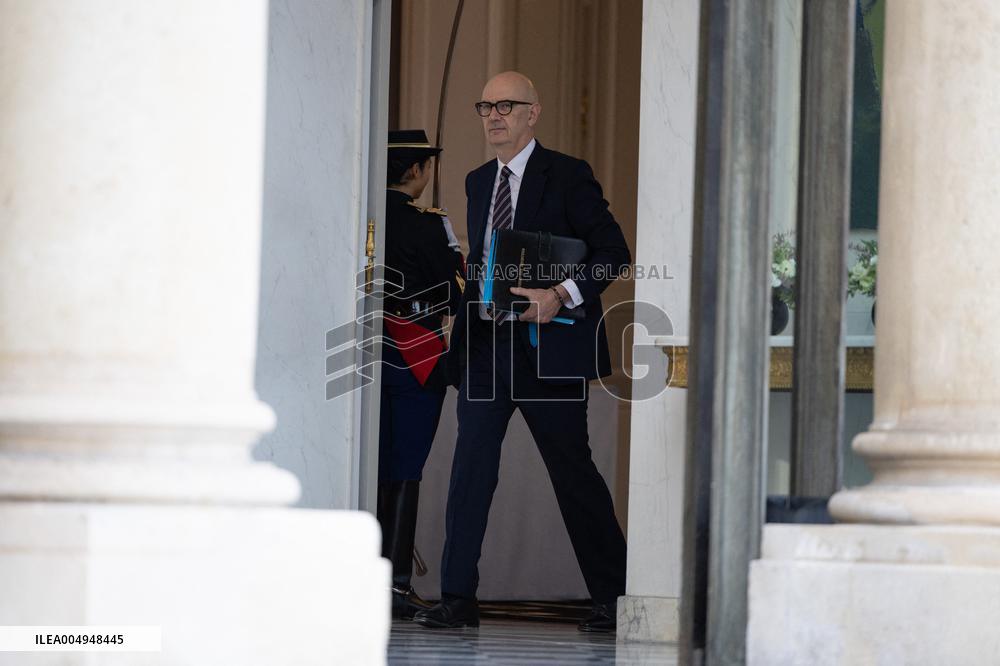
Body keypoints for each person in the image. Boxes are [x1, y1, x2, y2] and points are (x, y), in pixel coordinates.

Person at [413, 72, 629, 633]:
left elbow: (613, 252)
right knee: (470, 470)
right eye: (485, 106)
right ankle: (457, 597)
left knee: (573, 473)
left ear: (533, 113)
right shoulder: (478, 180)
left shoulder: (568, 174)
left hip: (549, 349)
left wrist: (559, 295)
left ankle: (614, 597)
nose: (493, 115)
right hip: (487, 347)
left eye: (506, 105)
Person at [379, 129, 463, 619]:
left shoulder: (363, 214)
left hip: (367, 356)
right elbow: (454, 289)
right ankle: (394, 585)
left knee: (371, 465)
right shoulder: (430, 224)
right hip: (416, 357)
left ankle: (363, 577)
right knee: (406, 466)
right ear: (416, 170)